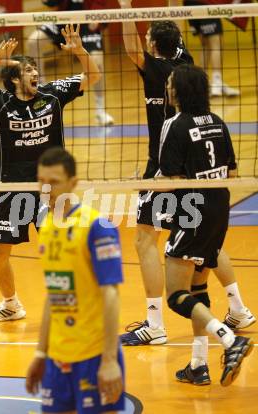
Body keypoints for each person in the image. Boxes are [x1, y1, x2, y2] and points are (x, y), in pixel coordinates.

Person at [117, 0, 254, 346]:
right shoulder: (187, 65)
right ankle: (238, 308)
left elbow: (132, 48)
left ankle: (155, 323)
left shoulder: (160, 72)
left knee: (144, 237)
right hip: (200, 163)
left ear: (152, 46)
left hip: (168, 162)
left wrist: (122, 9)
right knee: (205, 239)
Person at [0, 24, 101, 323]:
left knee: (62, 250)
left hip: (50, 189)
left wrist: (78, 51)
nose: (35, 73)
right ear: (14, 79)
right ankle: (11, 305)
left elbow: (94, 76)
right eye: (28, 70)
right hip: (13, 188)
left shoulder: (52, 95)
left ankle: (77, 304)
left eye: (36, 69)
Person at [159, 64, 253, 386]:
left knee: (175, 295)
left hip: (191, 208)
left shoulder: (174, 124)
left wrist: (144, 186)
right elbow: (231, 173)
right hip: (219, 207)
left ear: (179, 90)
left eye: (170, 83)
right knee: (198, 288)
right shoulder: (218, 122)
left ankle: (230, 340)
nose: (167, 88)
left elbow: (171, 181)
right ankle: (198, 365)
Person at [26, 147, 124, 413]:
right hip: (58, 357)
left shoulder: (97, 227)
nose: (47, 189)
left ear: (73, 183)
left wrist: (109, 359)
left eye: (54, 182)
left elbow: (111, 295)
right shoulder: (47, 226)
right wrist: (40, 352)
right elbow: (53, 295)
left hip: (93, 356)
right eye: (41, 182)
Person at [27, 0, 114, 126]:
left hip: (87, 21)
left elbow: (101, 4)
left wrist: (97, 16)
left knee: (97, 63)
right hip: (64, 19)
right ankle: (42, 92)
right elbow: (52, 3)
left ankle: (100, 111)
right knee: (33, 41)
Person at [172, 0, 240, 97]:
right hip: (205, 3)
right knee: (216, 44)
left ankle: (201, 84)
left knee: (206, 45)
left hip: (190, 4)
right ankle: (217, 82)